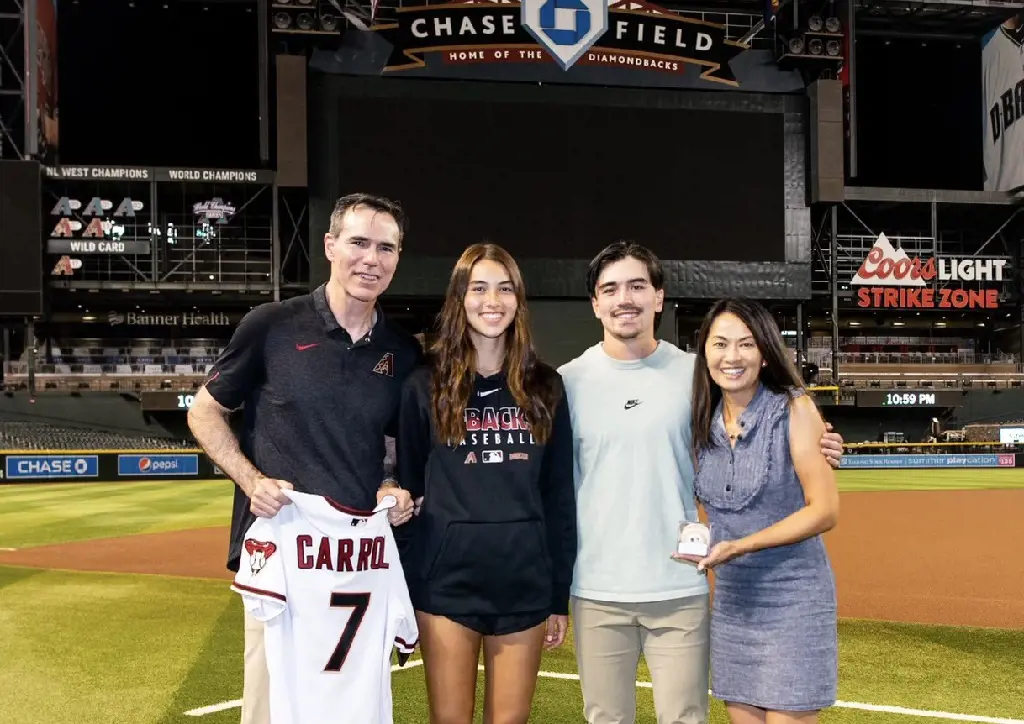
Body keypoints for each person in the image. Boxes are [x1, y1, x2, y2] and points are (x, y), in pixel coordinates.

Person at [557, 241, 844, 724]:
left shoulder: (698, 375)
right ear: (595, 303)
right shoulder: (566, 382)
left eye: (636, 286)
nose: (624, 298)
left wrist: (823, 443)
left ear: (659, 297)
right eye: (610, 289)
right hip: (597, 588)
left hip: (682, 583)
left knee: (686, 718)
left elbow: (761, 419)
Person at [187, 193, 423, 724]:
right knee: (272, 709)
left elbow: (391, 445)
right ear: (330, 245)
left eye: (386, 248)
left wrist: (393, 486)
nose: (371, 259)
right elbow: (204, 412)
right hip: (285, 556)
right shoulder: (272, 324)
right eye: (359, 242)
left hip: (358, 563)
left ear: (397, 258)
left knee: (352, 706)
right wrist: (251, 481)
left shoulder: (403, 351)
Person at [395, 243, 577, 724]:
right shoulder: (423, 385)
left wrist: (558, 595)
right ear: (460, 298)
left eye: (504, 288)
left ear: (519, 300)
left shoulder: (546, 386)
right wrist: (412, 589)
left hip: (524, 583)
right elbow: (409, 494)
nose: (491, 300)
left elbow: (559, 498)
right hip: (445, 586)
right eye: (478, 288)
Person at [683, 296, 839, 724]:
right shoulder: (702, 419)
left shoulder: (794, 408)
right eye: (719, 344)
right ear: (705, 354)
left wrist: (741, 545)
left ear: (765, 354)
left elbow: (824, 510)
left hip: (793, 598)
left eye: (746, 344)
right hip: (735, 604)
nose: (732, 356)